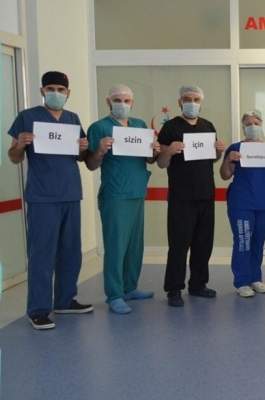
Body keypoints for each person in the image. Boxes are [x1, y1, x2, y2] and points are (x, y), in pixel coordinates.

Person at [7, 71, 93, 330]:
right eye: (51, 88)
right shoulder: (27, 117)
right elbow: (14, 157)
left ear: (68, 93)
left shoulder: (72, 119)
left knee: (70, 251)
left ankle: (65, 300)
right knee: (42, 253)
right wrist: (20, 145)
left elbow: (80, 157)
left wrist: (83, 148)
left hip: (70, 192)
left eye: (61, 89)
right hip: (42, 195)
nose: (56, 93)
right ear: (42, 91)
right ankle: (38, 309)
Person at [85, 84, 161, 314]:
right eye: (117, 100)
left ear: (132, 103)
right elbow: (91, 164)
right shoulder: (99, 128)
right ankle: (114, 295)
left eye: (126, 101)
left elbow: (149, 160)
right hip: (115, 193)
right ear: (108, 102)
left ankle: (130, 287)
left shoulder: (139, 125)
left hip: (137, 191)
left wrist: (154, 151)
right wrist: (100, 150)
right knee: (116, 246)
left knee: (134, 245)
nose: (122, 104)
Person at [157, 85, 226, 307]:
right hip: (181, 196)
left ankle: (198, 284)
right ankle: (174, 289)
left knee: (203, 243)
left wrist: (219, 151)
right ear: (180, 102)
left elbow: (212, 159)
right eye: (187, 99)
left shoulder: (208, 126)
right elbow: (161, 163)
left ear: (201, 102)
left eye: (196, 99)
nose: (192, 103)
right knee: (179, 244)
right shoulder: (170, 127)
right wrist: (169, 150)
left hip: (205, 193)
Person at [220, 109, 265, 297]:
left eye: (256, 123)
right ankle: (242, 281)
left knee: (258, 241)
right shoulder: (235, 148)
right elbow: (225, 175)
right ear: (243, 127)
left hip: (264, 203)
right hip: (242, 203)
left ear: (261, 125)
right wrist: (228, 160)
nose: (253, 127)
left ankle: (256, 278)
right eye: (248, 124)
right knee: (243, 241)